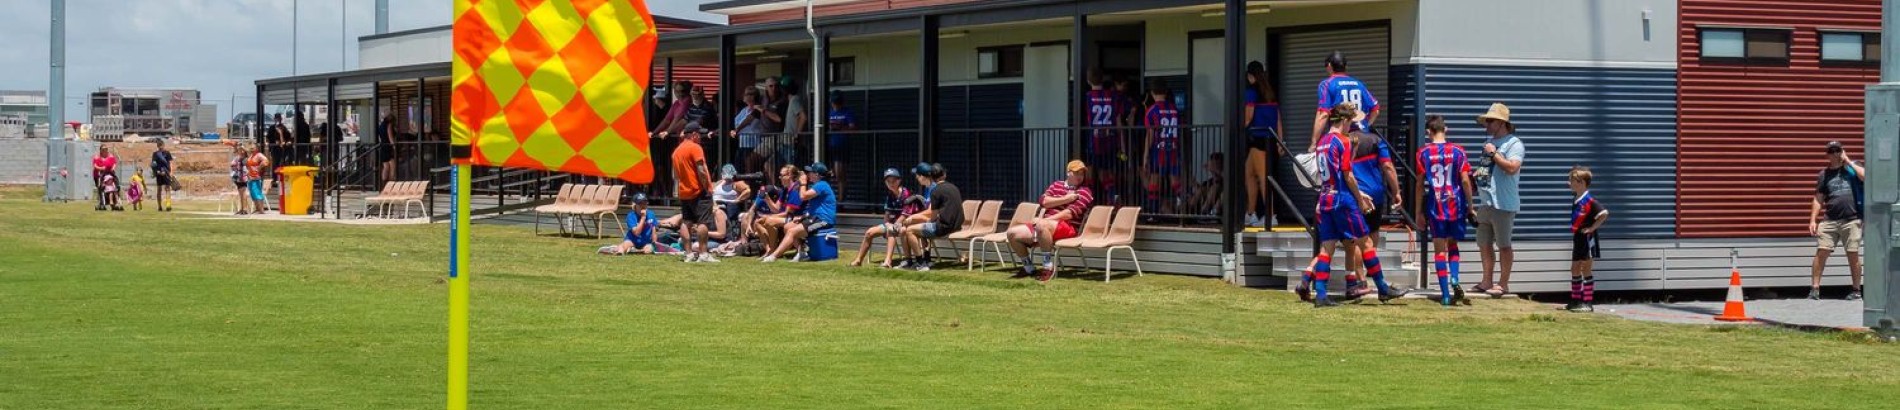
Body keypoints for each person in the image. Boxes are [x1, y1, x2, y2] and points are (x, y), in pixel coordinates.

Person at [1297, 103, 1405, 307]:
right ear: (1345, 121)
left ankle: (1320, 294)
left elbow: (1329, 174)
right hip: (1343, 201)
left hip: (1326, 198)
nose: (1351, 127)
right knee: (1366, 243)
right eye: (1350, 122)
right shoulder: (1342, 141)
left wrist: (1359, 192)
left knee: (1326, 248)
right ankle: (1382, 287)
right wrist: (1359, 197)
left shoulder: (1322, 142)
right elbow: (1347, 174)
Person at [1416, 115, 1475, 306]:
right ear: (1445, 129)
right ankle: (1455, 278)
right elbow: (1465, 180)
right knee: (1453, 245)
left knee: (1439, 250)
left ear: (1428, 132)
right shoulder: (1458, 151)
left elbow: (1419, 185)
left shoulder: (1423, 153)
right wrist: (1470, 206)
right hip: (1455, 203)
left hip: (1436, 204)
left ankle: (1445, 295)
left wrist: (1418, 211)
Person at [1470, 103, 1525, 297]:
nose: (1487, 125)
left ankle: (1503, 283)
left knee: (1503, 245)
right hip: (1486, 202)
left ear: (1501, 122)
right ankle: (1486, 281)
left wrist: (1494, 153)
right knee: (1484, 243)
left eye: (1490, 121)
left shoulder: (1514, 143)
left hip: (1503, 203)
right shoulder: (1490, 143)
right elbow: (1487, 169)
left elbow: (1512, 167)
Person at [1005, 160, 1093, 282]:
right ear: (1068, 173)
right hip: (1045, 225)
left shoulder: (1085, 191)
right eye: (1076, 173)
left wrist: (1044, 220)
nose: (1080, 176)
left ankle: (1048, 267)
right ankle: (1028, 267)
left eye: (1082, 174)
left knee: (1041, 225)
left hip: (1068, 227)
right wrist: (1066, 199)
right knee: (1012, 233)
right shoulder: (1056, 185)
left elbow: (1069, 214)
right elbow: (1044, 201)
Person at [1342, 127, 1403, 299]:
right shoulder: (1375, 140)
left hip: (1355, 194)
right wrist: (1396, 191)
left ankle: (1361, 280)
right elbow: (1388, 166)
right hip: (1375, 193)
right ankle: (1372, 276)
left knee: (1356, 241)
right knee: (1371, 236)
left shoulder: (1343, 141)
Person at [1809, 141, 1866, 300]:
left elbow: (1866, 177)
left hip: (1852, 219)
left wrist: (1847, 160)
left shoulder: (1852, 168)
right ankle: (1815, 289)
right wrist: (1813, 220)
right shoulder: (1824, 175)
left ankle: (1856, 290)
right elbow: (1818, 199)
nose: (1835, 154)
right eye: (1831, 151)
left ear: (1842, 151)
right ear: (1827, 154)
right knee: (1822, 251)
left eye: (1837, 150)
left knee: (1852, 253)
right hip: (1830, 219)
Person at [764, 163, 836, 263]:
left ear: (817, 174)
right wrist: (803, 216)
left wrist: (803, 183)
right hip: (815, 218)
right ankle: (802, 253)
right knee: (788, 227)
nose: (808, 174)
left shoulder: (822, 185)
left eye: (810, 172)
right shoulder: (818, 185)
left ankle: (773, 256)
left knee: (792, 232)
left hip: (823, 221)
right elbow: (816, 208)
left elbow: (803, 196)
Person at [852, 168, 921, 268]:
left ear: (899, 180)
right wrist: (888, 223)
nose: (891, 184)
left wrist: (892, 226)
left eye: (893, 181)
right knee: (869, 232)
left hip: (905, 224)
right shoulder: (890, 194)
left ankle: (888, 261)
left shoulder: (906, 194)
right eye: (888, 181)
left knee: (891, 231)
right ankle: (858, 261)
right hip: (892, 224)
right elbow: (887, 214)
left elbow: (905, 215)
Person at [899, 164, 964, 271]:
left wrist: (916, 219)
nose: (916, 177)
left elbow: (932, 216)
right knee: (920, 228)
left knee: (910, 230)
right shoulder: (954, 187)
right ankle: (925, 259)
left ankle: (921, 263)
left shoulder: (935, 190)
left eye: (917, 175)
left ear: (929, 176)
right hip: (957, 225)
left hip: (944, 226)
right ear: (944, 174)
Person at [1311, 51, 1380, 147]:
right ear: (1345, 67)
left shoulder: (1326, 84)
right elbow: (1375, 110)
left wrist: (1314, 143)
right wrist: (1366, 126)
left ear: (1329, 66)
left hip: (1342, 140)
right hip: (1363, 137)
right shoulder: (1358, 84)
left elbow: (1323, 115)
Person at [672, 123, 719, 263]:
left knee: (686, 222)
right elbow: (701, 170)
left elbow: (675, 175)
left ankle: (688, 254)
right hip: (698, 190)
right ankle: (703, 254)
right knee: (703, 222)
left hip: (684, 191)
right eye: (699, 134)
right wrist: (707, 187)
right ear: (693, 134)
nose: (700, 137)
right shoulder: (695, 148)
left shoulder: (676, 151)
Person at [1242, 61, 1281, 228]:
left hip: (1259, 138)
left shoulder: (1251, 92)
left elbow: (1248, 117)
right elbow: (1278, 119)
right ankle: (1251, 213)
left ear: (1250, 76)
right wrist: (1280, 140)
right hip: (1268, 139)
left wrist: (1236, 130)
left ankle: (1271, 215)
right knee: (1249, 173)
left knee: (1263, 178)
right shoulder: (1270, 92)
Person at [1567, 166, 1610, 312]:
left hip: (1587, 238)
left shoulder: (1589, 201)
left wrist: (1592, 228)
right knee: (1574, 268)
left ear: (1581, 182)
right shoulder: (1577, 199)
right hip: (1578, 238)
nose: (1569, 183)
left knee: (1586, 268)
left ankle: (1587, 302)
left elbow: (1604, 213)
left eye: (1572, 180)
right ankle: (1575, 299)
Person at [1083, 68, 1126, 203]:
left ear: (1088, 80)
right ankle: (1114, 201)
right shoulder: (1113, 96)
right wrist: (1123, 145)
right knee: (1106, 175)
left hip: (1093, 140)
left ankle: (1088, 204)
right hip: (1109, 140)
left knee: (1089, 173)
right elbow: (1119, 122)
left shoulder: (1087, 97)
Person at [1142, 82, 1184, 214]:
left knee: (1154, 181)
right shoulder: (1174, 109)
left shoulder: (1152, 110)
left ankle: (1153, 213)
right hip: (1173, 149)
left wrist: (1145, 155)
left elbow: (1150, 134)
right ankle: (1185, 207)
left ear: (1152, 93)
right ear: (1166, 93)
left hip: (1158, 150)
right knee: (1175, 182)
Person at [600, 193, 679, 256]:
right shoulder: (631, 216)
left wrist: (655, 243)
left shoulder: (651, 214)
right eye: (640, 203)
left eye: (645, 203)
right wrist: (643, 218)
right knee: (624, 248)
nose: (643, 205)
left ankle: (633, 250)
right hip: (632, 240)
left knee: (648, 251)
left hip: (646, 241)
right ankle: (619, 249)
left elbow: (653, 230)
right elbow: (636, 233)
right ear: (635, 205)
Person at [825, 91, 858, 196]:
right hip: (830, 146)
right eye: (834, 102)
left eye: (837, 102)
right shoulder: (828, 112)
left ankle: (841, 200)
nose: (835, 104)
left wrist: (840, 127)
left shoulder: (847, 112)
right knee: (831, 172)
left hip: (842, 145)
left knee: (840, 174)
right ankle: (833, 198)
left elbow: (853, 128)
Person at [732, 87, 770, 173]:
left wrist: (736, 130)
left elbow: (748, 121)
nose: (744, 96)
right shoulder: (744, 110)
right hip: (742, 144)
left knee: (750, 169)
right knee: (739, 168)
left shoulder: (758, 109)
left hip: (753, 144)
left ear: (753, 96)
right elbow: (734, 122)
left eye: (746, 94)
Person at [1186, 152, 1225, 217]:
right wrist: (1194, 184)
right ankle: (1188, 212)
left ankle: (1204, 214)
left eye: (1214, 163)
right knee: (1201, 190)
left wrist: (1217, 171)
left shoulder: (1226, 178)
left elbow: (1221, 183)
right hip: (1200, 205)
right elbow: (1201, 191)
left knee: (1214, 188)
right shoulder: (1209, 181)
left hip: (1219, 206)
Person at [245, 143, 270, 214]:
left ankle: (261, 210)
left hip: (256, 178)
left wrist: (259, 167)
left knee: (257, 193)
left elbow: (266, 161)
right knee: (253, 194)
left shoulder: (259, 155)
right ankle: (258, 209)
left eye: (253, 148)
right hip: (250, 178)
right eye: (251, 148)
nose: (251, 150)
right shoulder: (251, 156)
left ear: (257, 149)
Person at [151, 139, 176, 212]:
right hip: (159, 174)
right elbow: (153, 164)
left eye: (161, 146)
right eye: (159, 147)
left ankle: (168, 205)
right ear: (157, 146)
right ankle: (159, 206)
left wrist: (171, 172)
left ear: (164, 145)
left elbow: (170, 162)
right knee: (159, 189)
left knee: (167, 189)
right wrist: (157, 171)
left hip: (166, 173)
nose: (161, 148)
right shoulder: (155, 154)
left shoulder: (167, 153)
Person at [91, 146, 118, 211]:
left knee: (113, 188)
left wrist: (113, 168)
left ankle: (114, 203)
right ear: (100, 150)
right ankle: (102, 203)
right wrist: (101, 168)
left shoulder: (110, 156)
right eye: (103, 149)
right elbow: (95, 166)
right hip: (99, 175)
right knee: (101, 189)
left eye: (106, 149)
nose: (105, 150)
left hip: (109, 175)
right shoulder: (97, 157)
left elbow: (114, 163)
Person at [230, 144, 251, 215]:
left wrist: (242, 147)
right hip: (237, 178)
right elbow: (235, 151)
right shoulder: (236, 157)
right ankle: (241, 209)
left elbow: (246, 152)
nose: (239, 151)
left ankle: (245, 209)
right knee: (240, 194)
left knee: (243, 193)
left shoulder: (244, 158)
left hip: (242, 177)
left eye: (240, 150)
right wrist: (236, 147)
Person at [378, 113, 397, 183]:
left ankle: (383, 182)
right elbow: (390, 136)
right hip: (388, 146)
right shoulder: (389, 125)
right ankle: (391, 181)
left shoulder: (381, 125)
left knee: (386, 166)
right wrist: (394, 146)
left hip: (383, 145)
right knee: (393, 165)